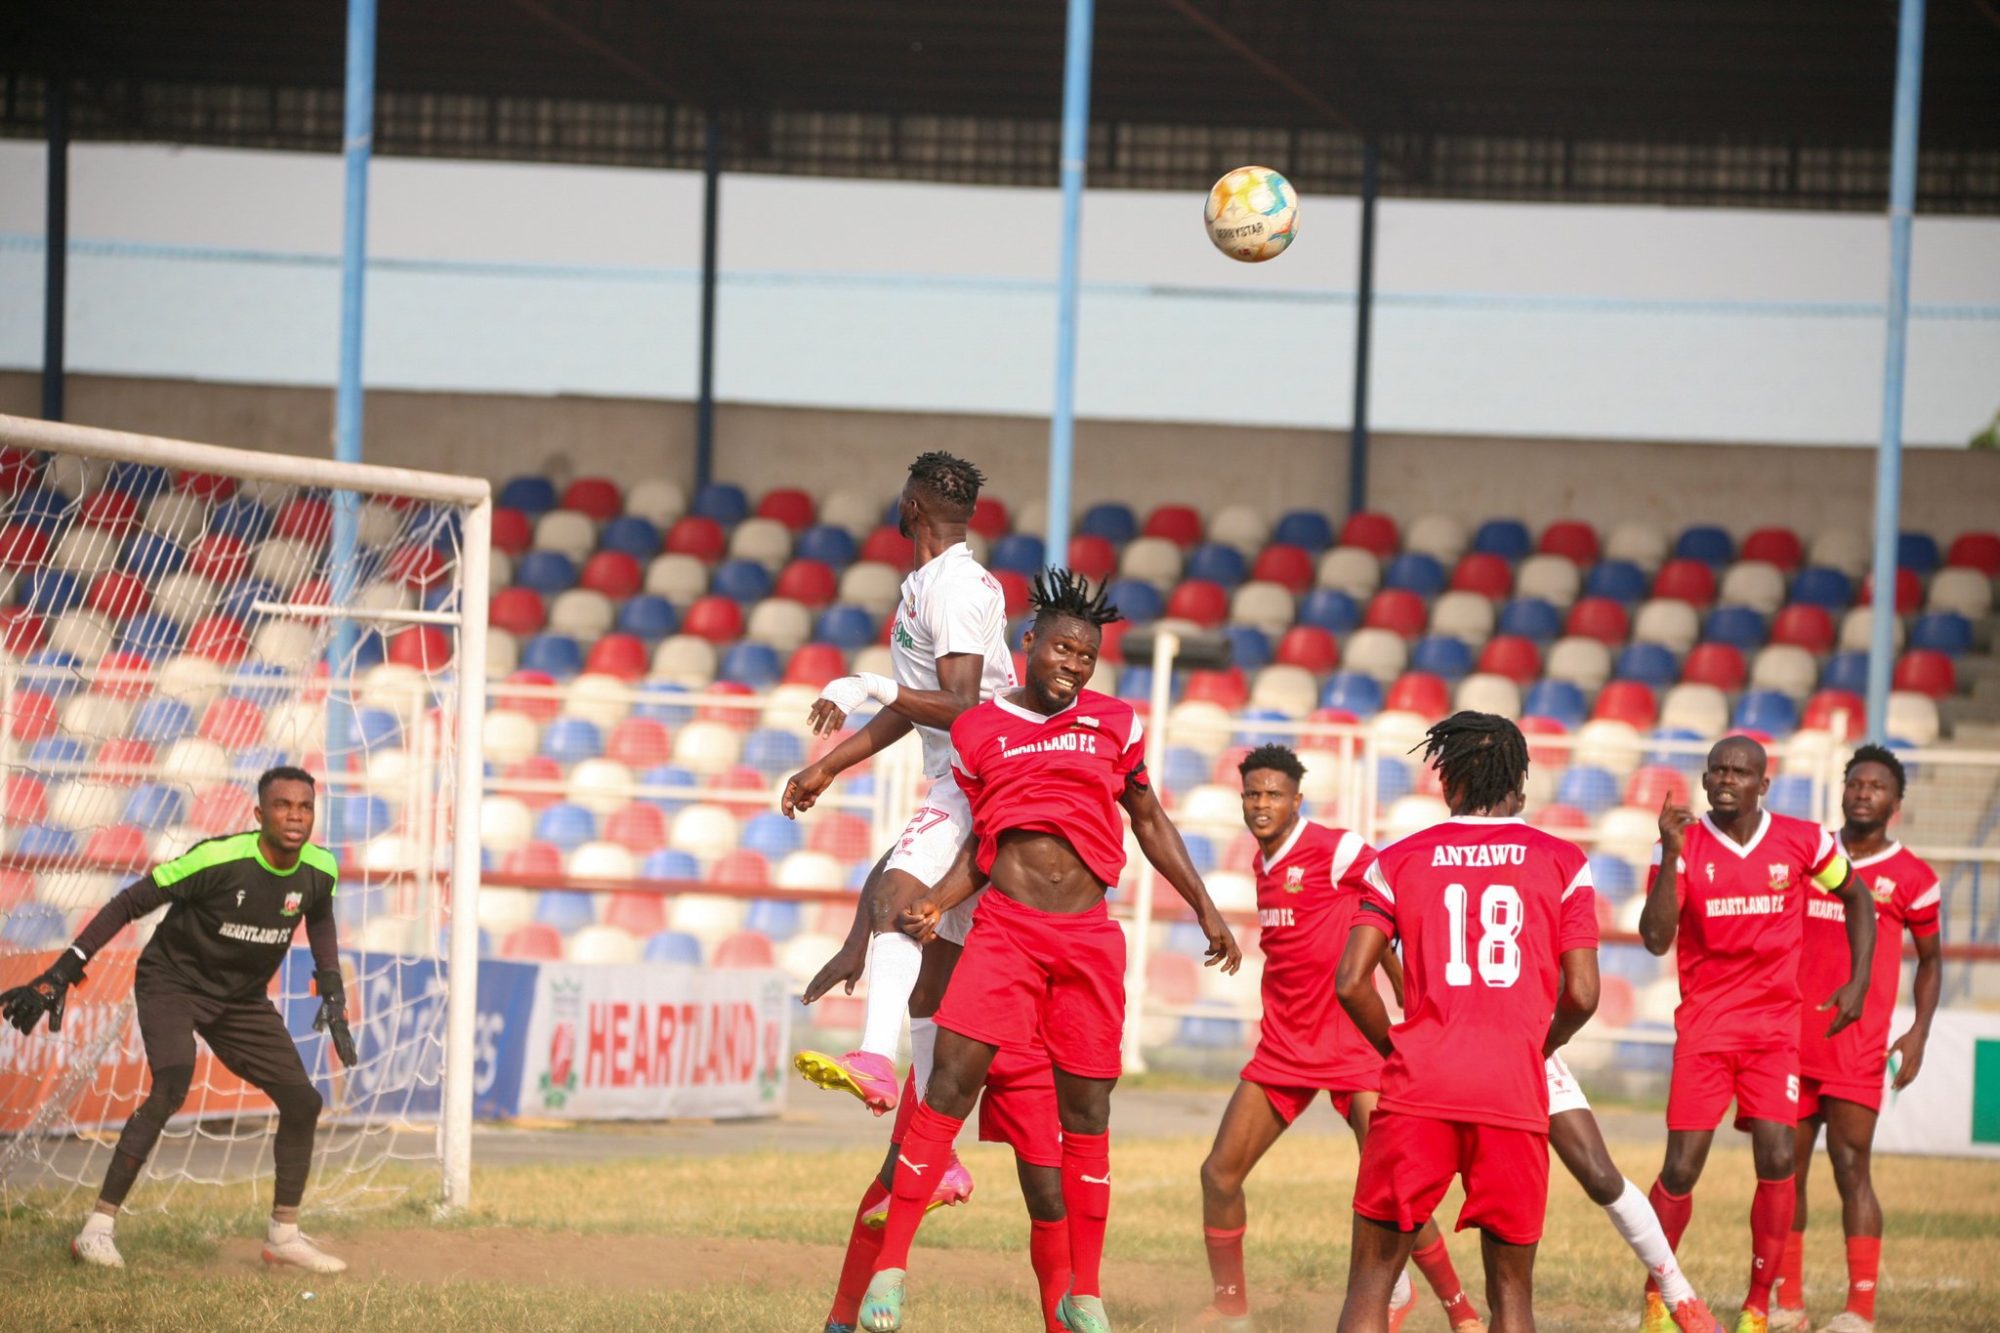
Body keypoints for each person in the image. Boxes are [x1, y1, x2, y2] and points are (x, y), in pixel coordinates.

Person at [859, 568, 1241, 1333]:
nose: (1074, 663)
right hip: (1005, 930)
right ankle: (890, 1270)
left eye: (1087, 655)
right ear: (1028, 644)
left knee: (1089, 1107)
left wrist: (1205, 906)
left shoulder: (1116, 724)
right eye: (1062, 648)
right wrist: (938, 898)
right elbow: (980, 842)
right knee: (948, 1088)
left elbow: (1151, 819)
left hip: (1087, 937)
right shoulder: (978, 729)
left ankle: (1085, 1292)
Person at [0, 766, 356, 1272]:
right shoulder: (217, 858)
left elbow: (319, 916)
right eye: (283, 806)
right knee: (172, 1083)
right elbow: (129, 902)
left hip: (242, 999)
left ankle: (284, 1234)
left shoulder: (321, 868)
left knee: (303, 1102)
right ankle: (97, 1229)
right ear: (260, 814)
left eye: (304, 807)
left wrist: (333, 989)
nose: (295, 816)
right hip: (172, 983)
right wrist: (62, 971)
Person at [1195, 743, 1483, 1333]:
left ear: (1297, 800)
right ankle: (1230, 1309)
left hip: (1355, 1050)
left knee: (1399, 1187)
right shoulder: (1260, 862)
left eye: (1273, 794)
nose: (1260, 804)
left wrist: (1406, 981)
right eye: (1252, 793)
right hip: (1283, 1049)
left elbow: (1399, 887)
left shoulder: (1336, 847)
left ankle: (1462, 1313)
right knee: (1218, 1174)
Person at [1333, 712, 1600, 1332]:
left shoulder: (1397, 859)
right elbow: (1583, 995)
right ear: (1519, 785)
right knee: (1511, 1298)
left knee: (1371, 1287)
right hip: (1512, 1091)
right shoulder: (1563, 860)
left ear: (1446, 782)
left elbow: (1351, 981)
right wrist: (1537, 1046)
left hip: (1418, 1087)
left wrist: (1397, 1046)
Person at [787, 449, 1015, 1133]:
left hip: (980, 778)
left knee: (894, 896)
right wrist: (832, 763)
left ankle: (873, 1060)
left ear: (912, 505)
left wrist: (869, 683)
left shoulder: (954, 589)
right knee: (931, 979)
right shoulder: (927, 583)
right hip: (967, 775)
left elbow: (963, 705)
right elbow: (919, 705)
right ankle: (933, 1150)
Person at [1638, 735, 1879, 1333]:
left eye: (1739, 772)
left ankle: (1756, 1307)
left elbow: (1857, 898)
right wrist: (1669, 856)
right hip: (1705, 1028)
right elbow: (1654, 937)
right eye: (1716, 769)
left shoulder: (1802, 841)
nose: (1725, 779)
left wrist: (1859, 982)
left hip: (1774, 1030)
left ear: (1762, 785)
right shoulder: (1683, 844)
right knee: (1681, 1169)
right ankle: (1657, 1297)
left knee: (1777, 1159)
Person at [1771, 745, 1941, 1333]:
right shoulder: (1807, 853)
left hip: (1856, 1044)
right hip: (1790, 1037)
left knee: (1851, 1166)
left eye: (1877, 786)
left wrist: (1918, 1031)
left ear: (1896, 803)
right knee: (1784, 1168)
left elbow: (1931, 961)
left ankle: (1858, 1311)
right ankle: (1786, 1302)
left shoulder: (1914, 876)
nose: (1864, 792)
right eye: (1856, 783)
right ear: (1842, 791)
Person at [821, 1013, 1070, 1333]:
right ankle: (840, 1321)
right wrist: (859, 957)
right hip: (962, 1027)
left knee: (1049, 1197)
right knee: (898, 1171)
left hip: (1035, 1044)